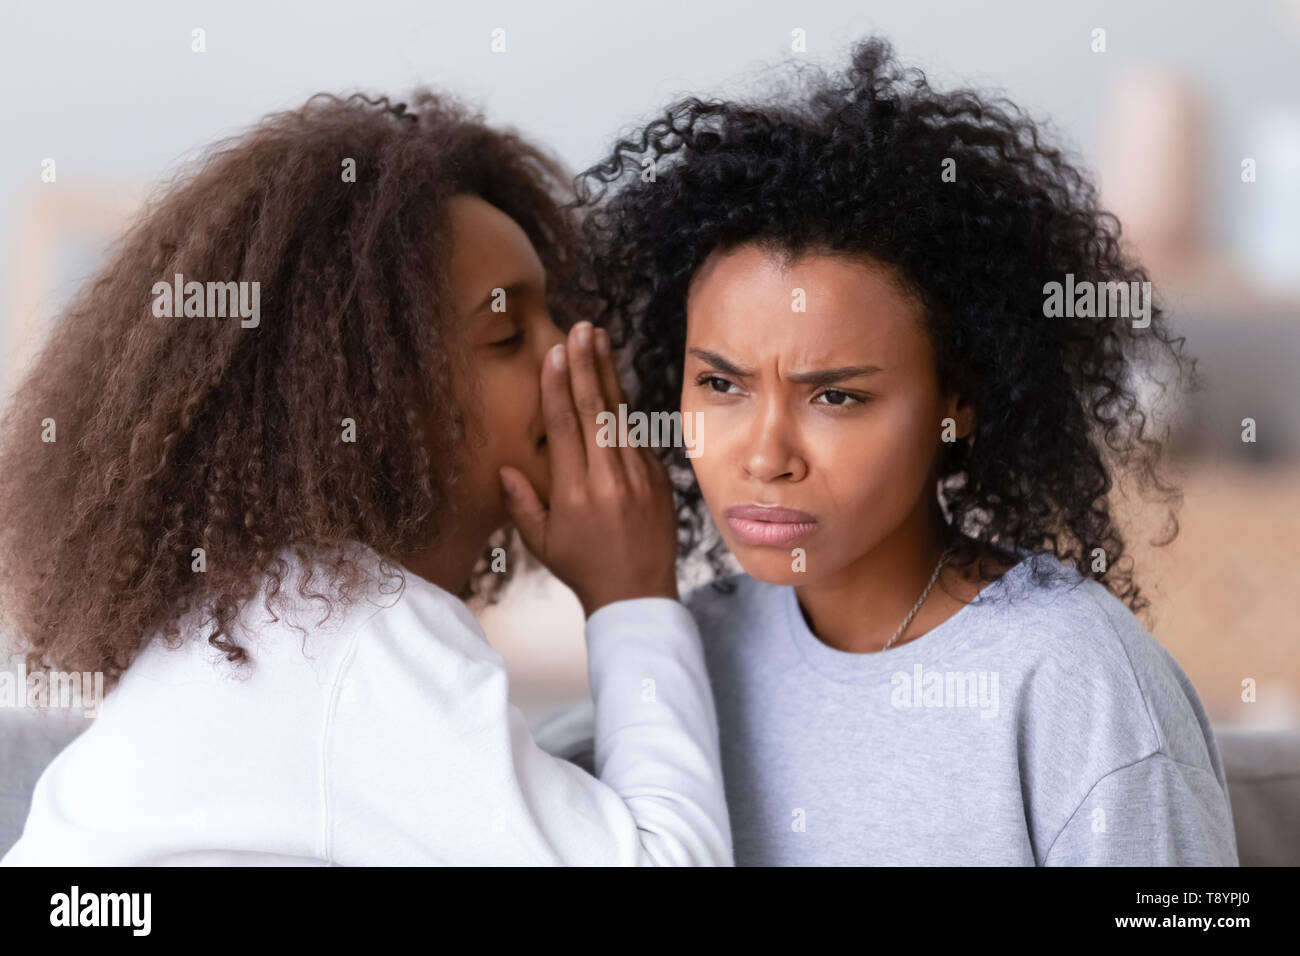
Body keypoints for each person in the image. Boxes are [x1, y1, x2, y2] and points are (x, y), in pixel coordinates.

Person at [0, 91, 730, 865]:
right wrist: (633, 595)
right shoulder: (349, 633)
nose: (572, 352)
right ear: (370, 399)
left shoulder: (265, 618)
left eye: (560, 313)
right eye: (509, 334)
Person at [571, 36, 1238, 865]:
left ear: (957, 399)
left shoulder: (1076, 682)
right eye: (722, 387)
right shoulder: (686, 661)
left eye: (837, 397)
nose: (765, 455)